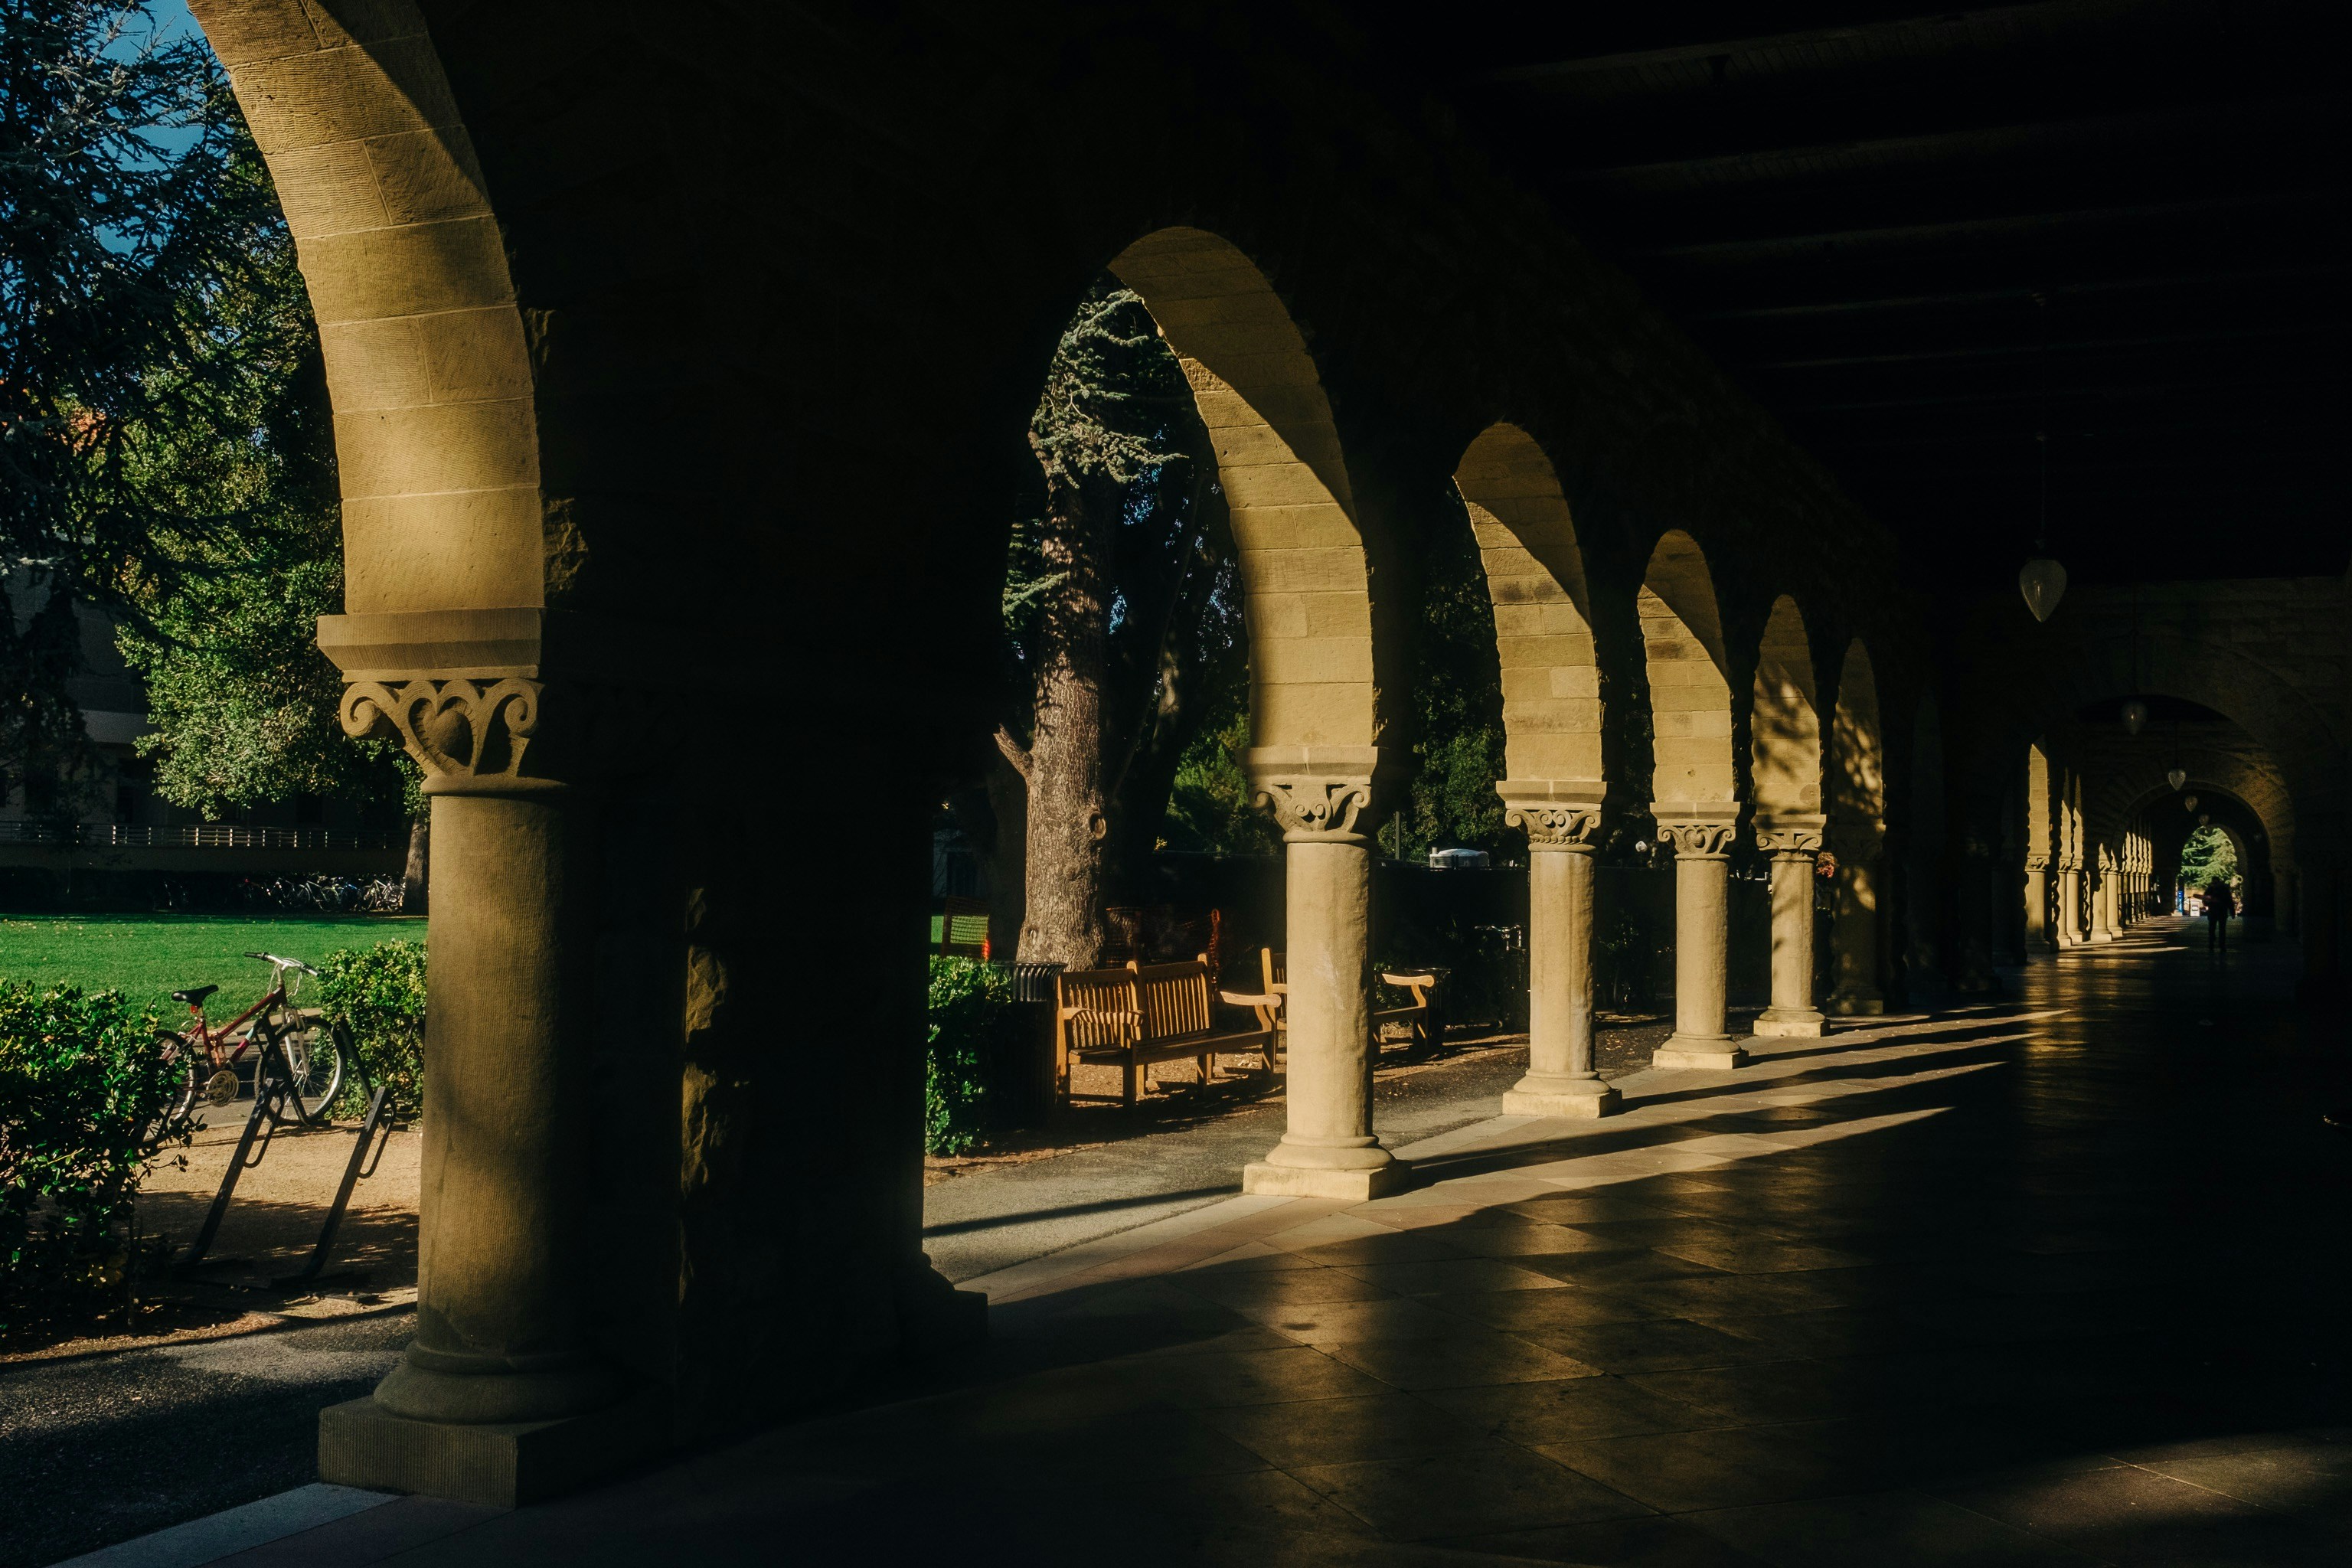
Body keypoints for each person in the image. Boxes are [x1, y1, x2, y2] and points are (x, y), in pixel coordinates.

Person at [2203, 879, 2234, 952]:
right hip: (2222, 911)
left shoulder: (2210, 889)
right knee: (2222, 929)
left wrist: (2208, 903)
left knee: (2211, 928)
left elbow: (2205, 901)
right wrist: (2232, 911)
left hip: (2213, 912)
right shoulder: (2224, 890)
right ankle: (2222, 945)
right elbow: (2229, 901)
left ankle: (2211, 944)